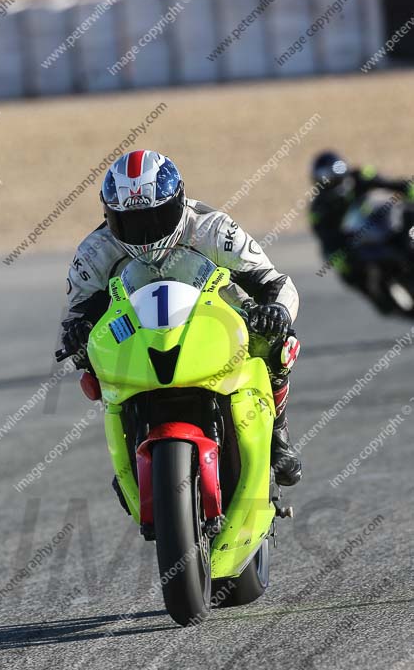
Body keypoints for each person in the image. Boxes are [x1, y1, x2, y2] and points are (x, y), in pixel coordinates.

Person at [60, 150, 302, 486]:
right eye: (130, 223)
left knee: (279, 344)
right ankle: (129, 447)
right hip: (136, 333)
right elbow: (72, 317)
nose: (144, 234)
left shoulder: (214, 228)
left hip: (219, 320)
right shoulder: (94, 252)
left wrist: (276, 311)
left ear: (179, 202)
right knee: (93, 370)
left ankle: (278, 432)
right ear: (108, 214)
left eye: (155, 219)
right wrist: (77, 335)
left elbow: (276, 283)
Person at [310, 151, 414, 292]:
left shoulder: (360, 175)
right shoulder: (318, 209)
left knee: (407, 217)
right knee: (346, 268)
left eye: (338, 178)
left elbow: (390, 183)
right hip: (351, 242)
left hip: (377, 225)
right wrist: (341, 255)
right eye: (331, 181)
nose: (337, 183)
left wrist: (408, 190)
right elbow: (324, 238)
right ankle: (372, 290)